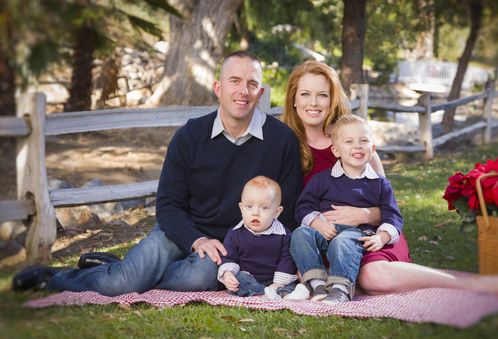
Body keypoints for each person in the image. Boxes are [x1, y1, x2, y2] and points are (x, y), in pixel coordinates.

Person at [13, 50, 303, 296]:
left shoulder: (281, 141)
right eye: (235, 81)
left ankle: (124, 269)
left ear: (261, 92)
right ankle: (55, 277)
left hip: (230, 244)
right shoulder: (190, 136)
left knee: (197, 279)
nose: (243, 91)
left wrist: (253, 250)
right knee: (122, 283)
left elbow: (285, 211)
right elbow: (168, 204)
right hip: (179, 231)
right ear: (218, 88)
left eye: (252, 84)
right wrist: (195, 239)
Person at [282, 60, 498, 296]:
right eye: (305, 94)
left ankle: (469, 285)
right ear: (293, 99)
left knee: (373, 277)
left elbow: (385, 202)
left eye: (322, 95)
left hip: (369, 234)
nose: (313, 102)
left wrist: (363, 215)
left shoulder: (354, 143)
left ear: (332, 99)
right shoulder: (285, 146)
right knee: (307, 271)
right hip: (323, 236)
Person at [288, 115, 403, 304]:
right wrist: (317, 224)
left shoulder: (380, 184)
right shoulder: (322, 179)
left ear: (372, 149)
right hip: (325, 231)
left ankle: (340, 289)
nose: (357, 146)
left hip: (357, 235)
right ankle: (317, 283)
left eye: (364, 141)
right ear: (336, 150)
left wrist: (382, 236)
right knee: (300, 234)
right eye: (349, 141)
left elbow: (393, 215)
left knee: (343, 241)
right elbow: (303, 206)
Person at [218, 176, 297, 300]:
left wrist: (276, 285)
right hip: (249, 278)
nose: (255, 213)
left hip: (275, 279)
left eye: (264, 208)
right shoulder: (235, 234)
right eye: (249, 206)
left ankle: (278, 292)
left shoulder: (284, 235)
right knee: (240, 280)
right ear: (241, 208)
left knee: (290, 282)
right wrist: (228, 274)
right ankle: (265, 294)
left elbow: (286, 261)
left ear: (277, 212)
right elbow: (229, 257)